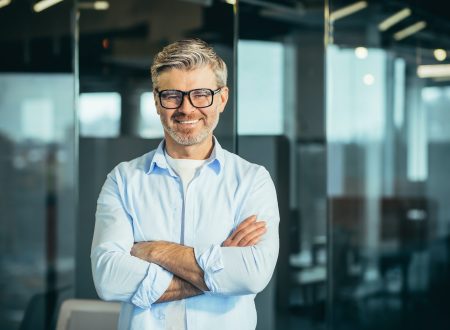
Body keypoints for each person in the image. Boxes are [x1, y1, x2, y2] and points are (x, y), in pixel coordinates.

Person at [91, 38, 279, 330]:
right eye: (172, 95)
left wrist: (157, 251)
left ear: (222, 98)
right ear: (156, 101)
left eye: (201, 94)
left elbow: (252, 274)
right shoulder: (124, 179)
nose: (187, 108)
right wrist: (218, 270)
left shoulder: (252, 181)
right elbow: (108, 279)